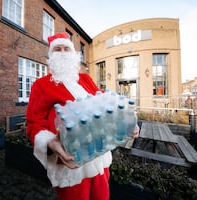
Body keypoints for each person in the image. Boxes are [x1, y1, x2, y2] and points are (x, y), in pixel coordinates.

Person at [26, 32, 139, 200]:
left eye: (67, 48)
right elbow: (33, 123)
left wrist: (126, 119)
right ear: (50, 56)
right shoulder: (41, 85)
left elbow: (105, 104)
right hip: (71, 161)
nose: (63, 52)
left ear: (73, 55)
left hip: (98, 155)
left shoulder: (85, 79)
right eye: (58, 49)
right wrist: (49, 141)